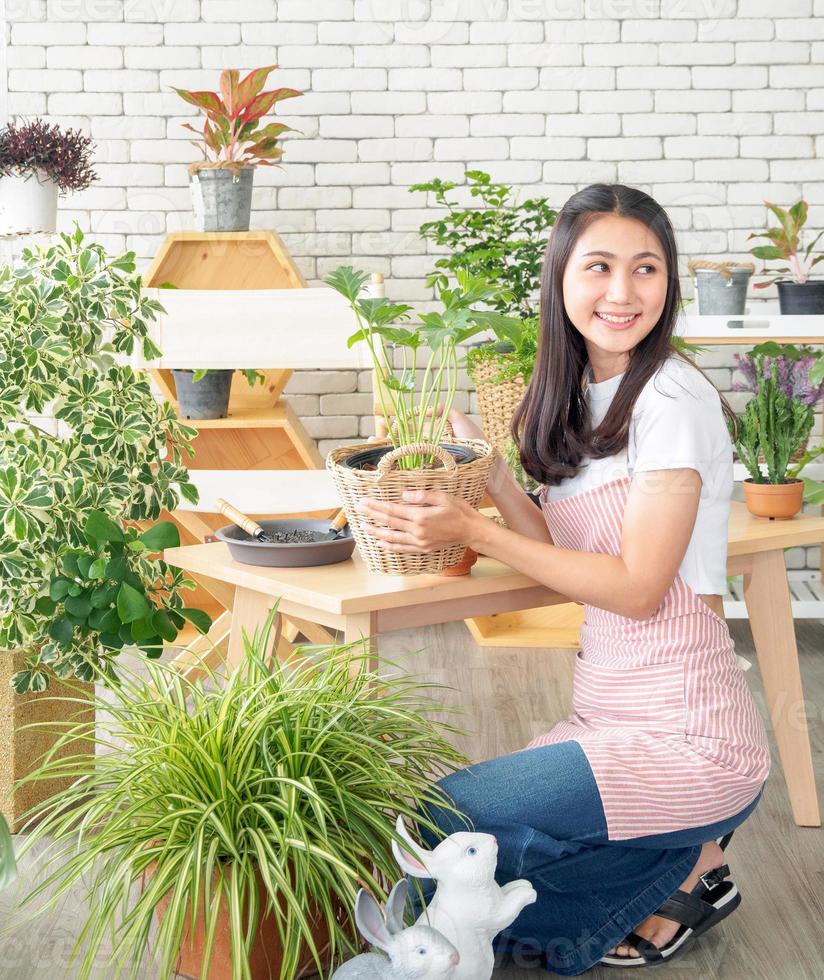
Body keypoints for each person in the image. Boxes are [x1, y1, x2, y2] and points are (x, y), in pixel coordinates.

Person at [354, 183, 771, 973]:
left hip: (689, 736)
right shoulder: (581, 401)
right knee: (460, 864)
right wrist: (494, 475)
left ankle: (680, 868)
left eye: (645, 269)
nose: (623, 292)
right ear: (561, 280)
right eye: (600, 267)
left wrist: (475, 529)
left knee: (451, 821)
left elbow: (636, 588)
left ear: (668, 283)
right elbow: (565, 555)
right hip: (605, 715)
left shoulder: (672, 398)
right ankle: (688, 860)